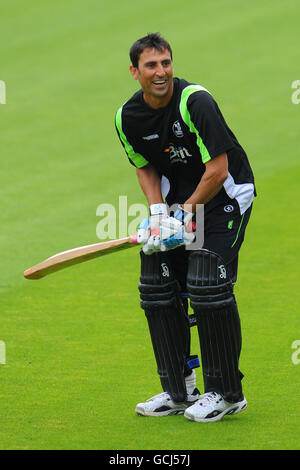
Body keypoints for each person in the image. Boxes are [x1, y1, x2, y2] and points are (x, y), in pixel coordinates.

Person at [115, 33, 255, 423]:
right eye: (151, 65)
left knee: (207, 282)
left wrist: (183, 215)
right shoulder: (127, 116)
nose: (160, 72)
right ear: (134, 71)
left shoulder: (196, 101)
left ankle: (226, 393)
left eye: (166, 63)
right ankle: (179, 390)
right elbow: (144, 165)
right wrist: (159, 213)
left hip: (225, 196)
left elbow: (219, 170)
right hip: (180, 200)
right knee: (157, 282)